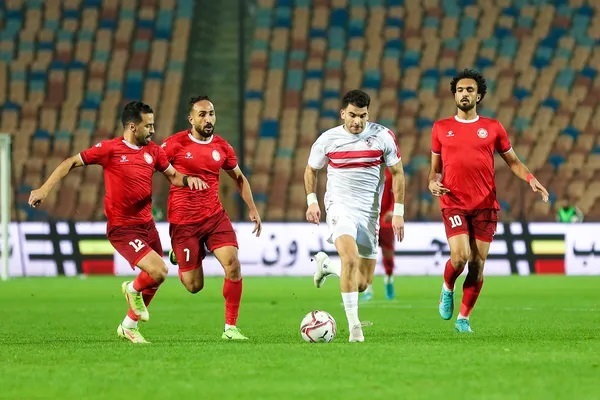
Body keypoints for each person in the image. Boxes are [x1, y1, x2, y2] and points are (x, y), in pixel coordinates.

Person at [29, 101, 205, 344]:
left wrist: (189, 180)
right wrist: (44, 189)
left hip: (147, 225)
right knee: (159, 270)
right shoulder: (110, 149)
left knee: (156, 278)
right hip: (123, 228)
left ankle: (129, 326)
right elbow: (71, 162)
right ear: (132, 127)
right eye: (148, 126)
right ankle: (131, 289)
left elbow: (173, 176)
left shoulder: (153, 151)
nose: (153, 130)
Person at [429, 69, 549, 333]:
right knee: (460, 258)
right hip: (453, 201)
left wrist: (531, 179)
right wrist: (432, 182)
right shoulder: (441, 128)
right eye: (460, 90)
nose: (464, 94)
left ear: (479, 96)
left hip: (485, 204)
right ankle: (447, 287)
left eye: (470, 90)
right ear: (454, 95)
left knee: (477, 265)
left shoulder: (493, 128)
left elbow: (513, 162)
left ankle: (463, 319)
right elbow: (435, 170)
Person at [305, 89, 406, 342]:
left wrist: (398, 212)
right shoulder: (328, 139)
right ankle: (354, 328)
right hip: (340, 208)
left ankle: (326, 266)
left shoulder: (382, 136)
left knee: (362, 283)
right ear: (342, 113)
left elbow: (398, 173)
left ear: (368, 114)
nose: (357, 121)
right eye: (352, 115)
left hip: (369, 214)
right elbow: (311, 170)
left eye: (362, 115)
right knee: (349, 259)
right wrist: (312, 202)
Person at [162, 95, 262, 340]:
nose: (208, 119)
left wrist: (252, 208)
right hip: (184, 223)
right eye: (202, 115)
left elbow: (239, 178)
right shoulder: (174, 144)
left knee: (233, 264)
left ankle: (230, 328)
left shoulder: (222, 147)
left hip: (214, 217)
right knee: (194, 286)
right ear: (191, 119)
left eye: (211, 114)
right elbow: (152, 167)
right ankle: (179, 255)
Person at [361, 168, 396, 301]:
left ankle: (388, 280)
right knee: (366, 255)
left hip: (385, 220)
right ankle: (367, 289)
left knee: (388, 254)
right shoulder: (365, 170)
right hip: (369, 219)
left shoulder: (390, 173)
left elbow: (396, 192)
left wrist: (393, 210)